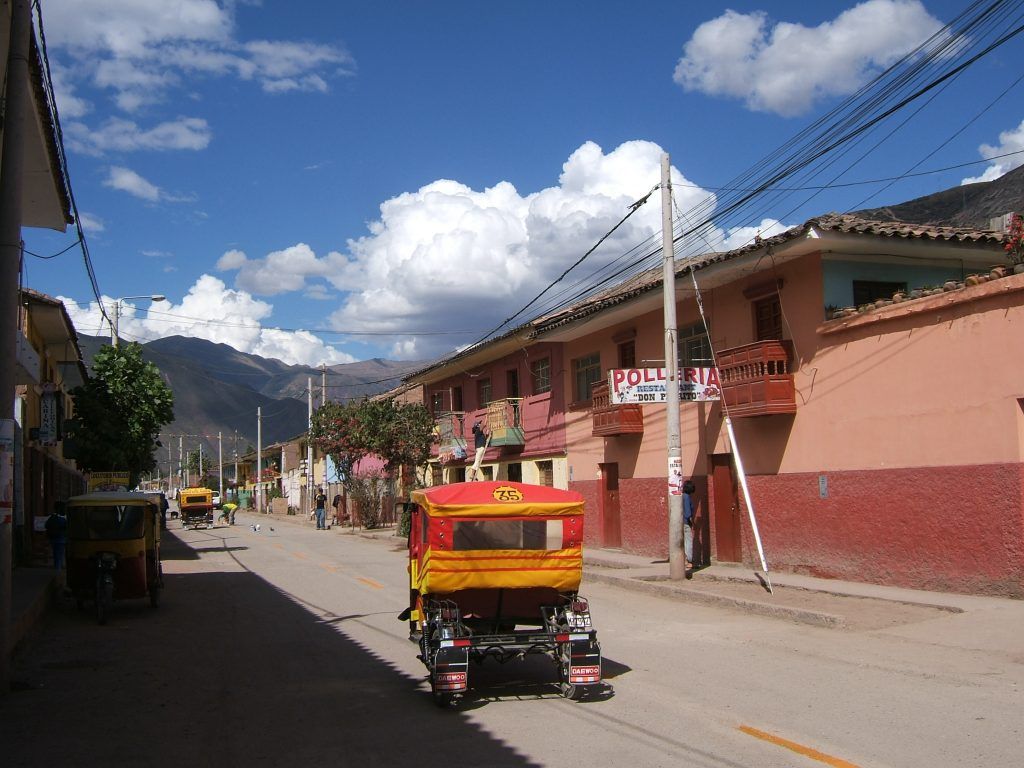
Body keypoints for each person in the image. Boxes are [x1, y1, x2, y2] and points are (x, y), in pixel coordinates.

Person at [45, 501, 68, 576]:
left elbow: (46, 526)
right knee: (59, 556)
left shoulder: (51, 518)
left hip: (53, 539)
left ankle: (57, 570)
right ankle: (58, 572)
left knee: (55, 555)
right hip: (61, 540)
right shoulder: (62, 519)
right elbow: (66, 528)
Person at [682, 479, 696, 570]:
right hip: (686, 523)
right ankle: (688, 560)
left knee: (683, 542)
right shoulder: (686, 497)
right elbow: (687, 513)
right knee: (688, 541)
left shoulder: (681, 496)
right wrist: (691, 522)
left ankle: (685, 560)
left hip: (680, 522)